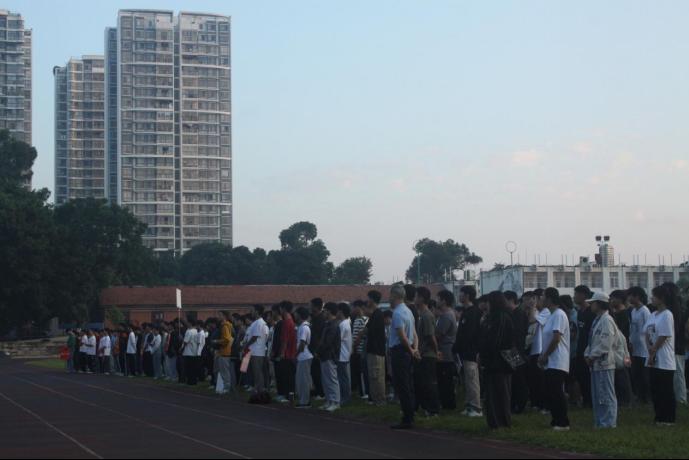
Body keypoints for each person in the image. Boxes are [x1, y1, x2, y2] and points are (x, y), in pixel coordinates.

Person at [479, 291, 516, 429]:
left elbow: (495, 341)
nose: (486, 305)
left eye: (488, 302)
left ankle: (500, 422)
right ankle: (498, 421)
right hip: (497, 361)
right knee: (496, 393)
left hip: (499, 362)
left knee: (499, 393)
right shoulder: (496, 317)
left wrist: (484, 354)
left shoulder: (500, 318)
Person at [538, 287, 571, 431]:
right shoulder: (551, 315)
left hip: (557, 359)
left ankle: (563, 422)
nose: (540, 299)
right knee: (551, 391)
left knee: (557, 392)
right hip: (550, 360)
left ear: (549, 299)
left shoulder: (559, 314)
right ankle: (556, 419)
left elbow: (556, 338)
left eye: (542, 296)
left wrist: (545, 355)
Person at [584, 292, 618, 429]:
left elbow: (605, 343)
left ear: (599, 304)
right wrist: (587, 354)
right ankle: (600, 421)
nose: (591, 305)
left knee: (606, 393)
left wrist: (592, 356)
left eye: (592, 303)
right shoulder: (597, 320)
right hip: (596, 363)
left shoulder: (607, 320)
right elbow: (592, 341)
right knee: (598, 394)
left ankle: (608, 422)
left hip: (604, 363)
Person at [646, 285, 677, 426]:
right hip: (652, 356)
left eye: (654, 296)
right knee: (655, 389)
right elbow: (646, 332)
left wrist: (654, 349)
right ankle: (659, 416)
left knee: (665, 389)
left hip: (664, 358)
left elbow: (664, 335)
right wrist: (649, 349)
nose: (652, 298)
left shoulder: (667, 314)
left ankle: (668, 418)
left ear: (662, 298)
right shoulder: (653, 314)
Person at [389, 284, 418, 430]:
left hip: (400, 351)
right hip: (407, 350)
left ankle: (407, 417)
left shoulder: (397, 313)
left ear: (395, 295)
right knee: (408, 384)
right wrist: (414, 349)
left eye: (390, 295)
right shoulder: (408, 311)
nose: (389, 298)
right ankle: (410, 413)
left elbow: (402, 336)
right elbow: (414, 334)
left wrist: (411, 350)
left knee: (402, 385)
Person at [453, 285, 483, 418]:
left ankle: (476, 407)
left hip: (471, 351)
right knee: (467, 380)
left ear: (467, 296)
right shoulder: (466, 311)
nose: (459, 296)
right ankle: (469, 405)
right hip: (464, 352)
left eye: (461, 294)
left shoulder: (474, 312)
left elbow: (471, 334)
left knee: (472, 379)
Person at [413, 287, 440, 417]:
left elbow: (430, 337)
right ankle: (425, 407)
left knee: (429, 383)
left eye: (416, 296)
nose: (414, 299)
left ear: (422, 298)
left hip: (428, 355)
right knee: (422, 383)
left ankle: (433, 409)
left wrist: (436, 351)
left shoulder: (427, 315)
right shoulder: (422, 315)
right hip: (422, 354)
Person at [663, 282, 688, 406]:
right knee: (676, 373)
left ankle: (681, 398)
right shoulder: (676, 307)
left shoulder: (676, 309)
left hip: (676, 345)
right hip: (674, 345)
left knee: (678, 373)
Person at [506, 291, 529, 414]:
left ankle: (520, 404)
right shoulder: (512, 313)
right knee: (514, 379)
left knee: (518, 379)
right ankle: (514, 403)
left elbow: (518, 334)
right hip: (512, 350)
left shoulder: (518, 314)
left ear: (510, 300)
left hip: (516, 351)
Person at [435, 289, 458, 411]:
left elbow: (438, 335)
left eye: (438, 298)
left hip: (445, 352)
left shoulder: (446, 316)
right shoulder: (447, 314)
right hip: (446, 351)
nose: (436, 301)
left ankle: (448, 404)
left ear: (443, 301)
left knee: (445, 380)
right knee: (445, 379)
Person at [628, 286, 651, 404]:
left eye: (631, 296)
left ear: (637, 296)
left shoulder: (644, 311)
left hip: (644, 349)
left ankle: (646, 398)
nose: (629, 298)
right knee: (636, 374)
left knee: (644, 375)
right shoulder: (633, 311)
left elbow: (649, 329)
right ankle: (639, 396)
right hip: (635, 348)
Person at [610, 290, 633, 407]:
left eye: (613, 298)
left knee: (623, 372)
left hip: (623, 348)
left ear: (620, 299)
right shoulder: (615, 313)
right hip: (616, 348)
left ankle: (627, 399)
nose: (611, 300)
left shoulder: (624, 314)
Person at [364, 290, 387, 406]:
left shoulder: (378, 314)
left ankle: (380, 400)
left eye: (368, 298)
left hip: (376, 350)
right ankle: (375, 399)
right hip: (373, 350)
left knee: (377, 376)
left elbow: (373, 333)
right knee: (374, 376)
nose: (367, 301)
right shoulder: (375, 314)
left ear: (372, 299)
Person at [528, 290, 550, 413]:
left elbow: (531, 320)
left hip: (540, 349)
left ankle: (543, 404)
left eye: (536, 299)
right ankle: (535, 402)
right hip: (534, 349)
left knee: (541, 379)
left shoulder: (546, 312)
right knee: (534, 379)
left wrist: (532, 307)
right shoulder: (539, 311)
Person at [318, 302, 342, 412]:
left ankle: (335, 402)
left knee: (332, 379)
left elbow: (328, 342)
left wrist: (319, 350)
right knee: (326, 380)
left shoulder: (334, 325)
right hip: (325, 355)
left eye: (325, 311)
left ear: (329, 311)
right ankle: (329, 400)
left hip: (330, 355)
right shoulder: (328, 324)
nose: (324, 313)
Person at [574, 285, 595, 407]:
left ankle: (590, 401)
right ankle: (585, 399)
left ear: (584, 296)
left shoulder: (590, 312)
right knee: (581, 375)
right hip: (580, 348)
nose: (575, 297)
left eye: (577, 294)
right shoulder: (579, 312)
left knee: (588, 376)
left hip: (589, 348)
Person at [245, 305, 270, 396]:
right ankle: (258, 388)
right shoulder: (256, 322)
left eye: (252, 310)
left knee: (258, 371)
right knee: (256, 372)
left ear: (257, 311)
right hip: (255, 350)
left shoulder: (259, 322)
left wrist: (246, 345)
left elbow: (255, 336)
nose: (251, 312)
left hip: (257, 351)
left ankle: (260, 390)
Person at [277, 301, 297, 403]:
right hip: (290, 353)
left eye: (280, 308)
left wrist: (281, 353)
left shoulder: (287, 322)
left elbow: (285, 340)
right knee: (289, 376)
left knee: (287, 376)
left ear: (283, 308)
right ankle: (289, 396)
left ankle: (287, 396)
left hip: (288, 354)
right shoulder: (290, 321)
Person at [351, 300, 369, 400]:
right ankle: (361, 391)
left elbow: (360, 336)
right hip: (357, 349)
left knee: (362, 372)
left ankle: (364, 392)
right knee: (359, 371)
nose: (353, 310)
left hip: (360, 350)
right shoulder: (357, 319)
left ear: (359, 307)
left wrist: (355, 346)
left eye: (354, 307)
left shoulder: (362, 319)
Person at [295, 307, 313, 408]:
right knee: (301, 379)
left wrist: (295, 354)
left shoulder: (304, 327)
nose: (295, 315)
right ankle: (303, 400)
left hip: (304, 356)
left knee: (304, 380)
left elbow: (302, 344)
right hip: (302, 356)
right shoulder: (302, 326)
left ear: (300, 314)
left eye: (296, 313)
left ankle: (305, 401)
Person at [309, 298, 326, 400]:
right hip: (312, 349)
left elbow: (320, 337)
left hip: (317, 350)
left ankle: (321, 393)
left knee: (318, 372)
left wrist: (317, 350)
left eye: (311, 305)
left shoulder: (321, 319)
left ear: (315, 306)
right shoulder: (314, 318)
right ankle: (317, 390)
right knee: (314, 372)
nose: (309, 307)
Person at [336, 303, 353, 406]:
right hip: (344, 354)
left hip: (342, 354)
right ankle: (345, 397)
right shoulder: (346, 323)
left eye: (337, 311)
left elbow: (338, 340)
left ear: (341, 312)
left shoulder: (343, 324)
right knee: (343, 377)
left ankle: (345, 397)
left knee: (342, 378)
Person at [215, 311, 235, 394]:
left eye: (219, 315)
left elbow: (226, 339)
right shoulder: (228, 325)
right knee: (225, 371)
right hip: (225, 351)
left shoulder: (225, 326)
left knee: (224, 371)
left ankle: (227, 388)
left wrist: (216, 341)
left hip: (224, 351)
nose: (218, 316)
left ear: (224, 316)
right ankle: (227, 387)